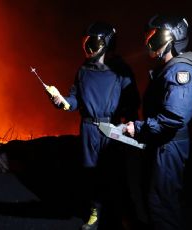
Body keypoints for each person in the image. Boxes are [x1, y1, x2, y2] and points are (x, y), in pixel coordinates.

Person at [50, 21, 140, 230]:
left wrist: (129, 125)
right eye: (86, 42)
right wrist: (62, 101)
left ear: (106, 43)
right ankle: (95, 213)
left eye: (93, 41)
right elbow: (74, 100)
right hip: (89, 129)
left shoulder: (120, 70)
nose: (88, 47)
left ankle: (125, 216)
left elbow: (132, 101)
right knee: (91, 174)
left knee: (116, 174)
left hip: (112, 128)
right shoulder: (83, 70)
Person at [123, 14, 192, 230]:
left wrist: (139, 127)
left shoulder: (182, 69)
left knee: (161, 205)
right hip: (160, 144)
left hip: (167, 147)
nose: (149, 44)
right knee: (153, 200)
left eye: (155, 38)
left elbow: (175, 117)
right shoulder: (171, 67)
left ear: (172, 39)